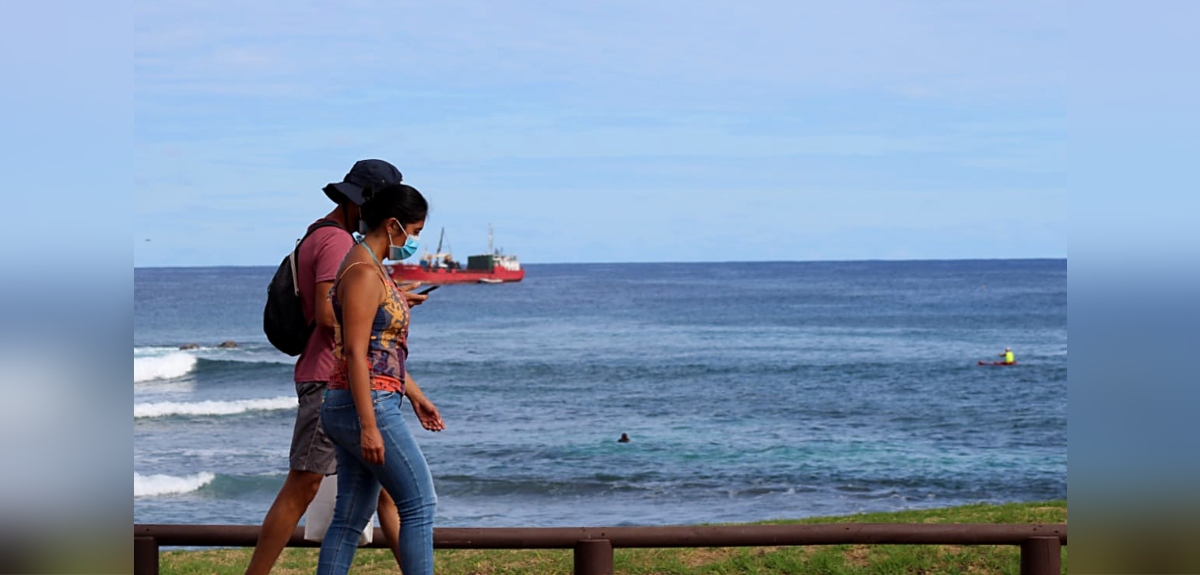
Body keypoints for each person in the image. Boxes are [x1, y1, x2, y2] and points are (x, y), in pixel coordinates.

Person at [246, 160, 430, 574]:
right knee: (306, 485)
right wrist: (380, 301)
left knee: (374, 502)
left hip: (350, 382)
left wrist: (390, 298)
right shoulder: (335, 244)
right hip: (333, 379)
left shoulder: (330, 237)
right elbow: (336, 318)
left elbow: (348, 305)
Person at [318, 183, 443, 575]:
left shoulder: (372, 267)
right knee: (419, 505)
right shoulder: (363, 272)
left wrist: (417, 396)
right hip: (366, 405)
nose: (414, 241)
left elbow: (379, 350)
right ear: (393, 225)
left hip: (361, 401)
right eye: (415, 232)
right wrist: (369, 426)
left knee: (351, 516)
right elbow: (355, 352)